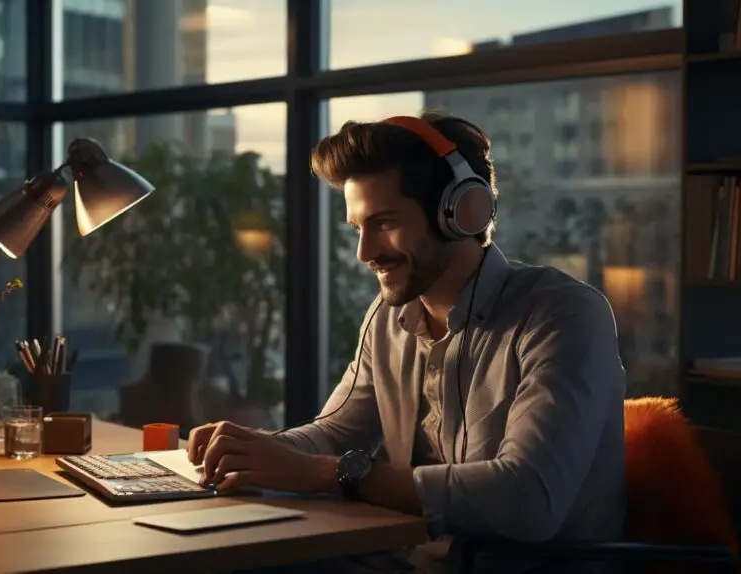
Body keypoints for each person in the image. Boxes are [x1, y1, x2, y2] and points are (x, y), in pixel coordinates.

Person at [186, 111, 627, 573]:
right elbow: (337, 431)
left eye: (385, 223)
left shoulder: (563, 315)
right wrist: (254, 450)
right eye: (358, 227)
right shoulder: (388, 317)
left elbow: (528, 498)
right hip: (406, 559)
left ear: (461, 211)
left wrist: (324, 472)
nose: (365, 252)